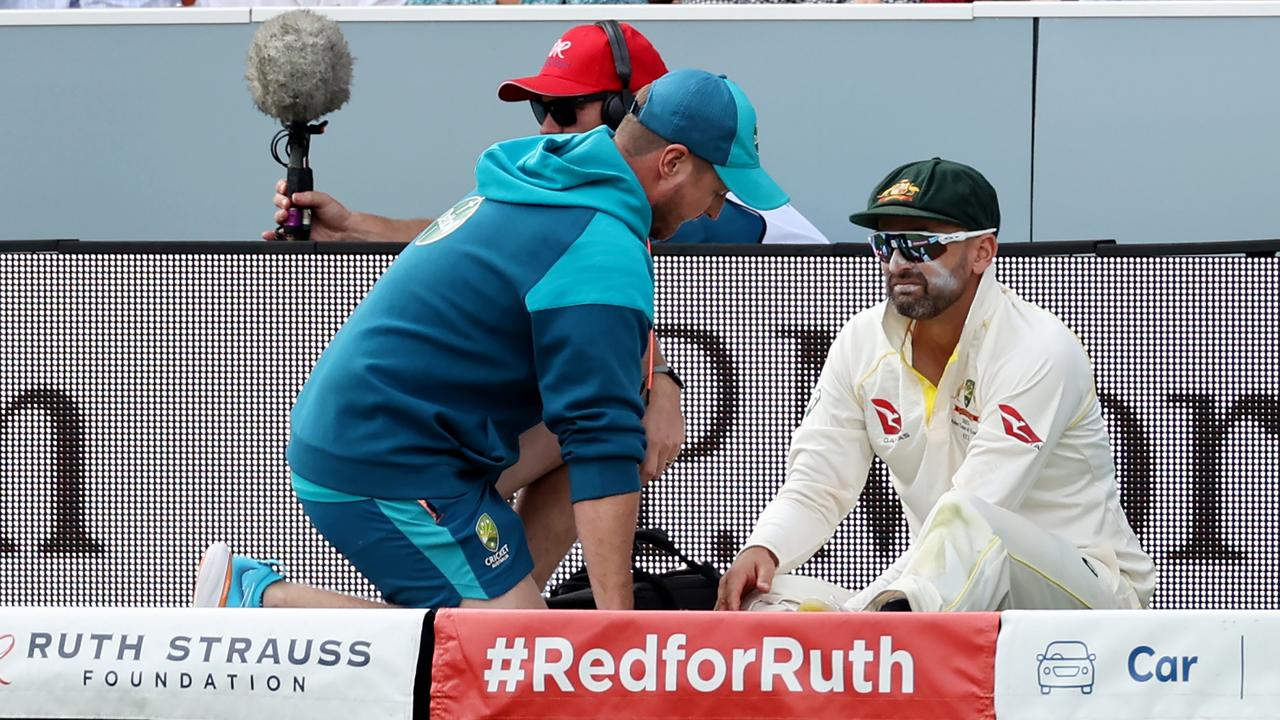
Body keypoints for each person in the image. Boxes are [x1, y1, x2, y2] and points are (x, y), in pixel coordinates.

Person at [196, 69, 790, 611]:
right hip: (381, 457)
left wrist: (658, 386)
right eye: (717, 189)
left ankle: (501, 600)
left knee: (517, 633)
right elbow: (600, 445)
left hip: (405, 435)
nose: (715, 212)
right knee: (512, 662)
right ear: (673, 163)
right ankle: (256, 599)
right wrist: (619, 635)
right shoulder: (601, 241)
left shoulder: (553, 177)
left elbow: (607, 414)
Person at [715, 158, 1156, 613]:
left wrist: (860, 615)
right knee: (766, 600)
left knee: (971, 519)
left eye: (923, 245)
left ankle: (886, 635)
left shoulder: (1037, 349)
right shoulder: (860, 341)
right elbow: (819, 482)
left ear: (983, 252)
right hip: (950, 588)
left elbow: (974, 511)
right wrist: (764, 549)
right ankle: (882, 633)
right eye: (886, 245)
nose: (900, 263)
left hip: (1090, 597)